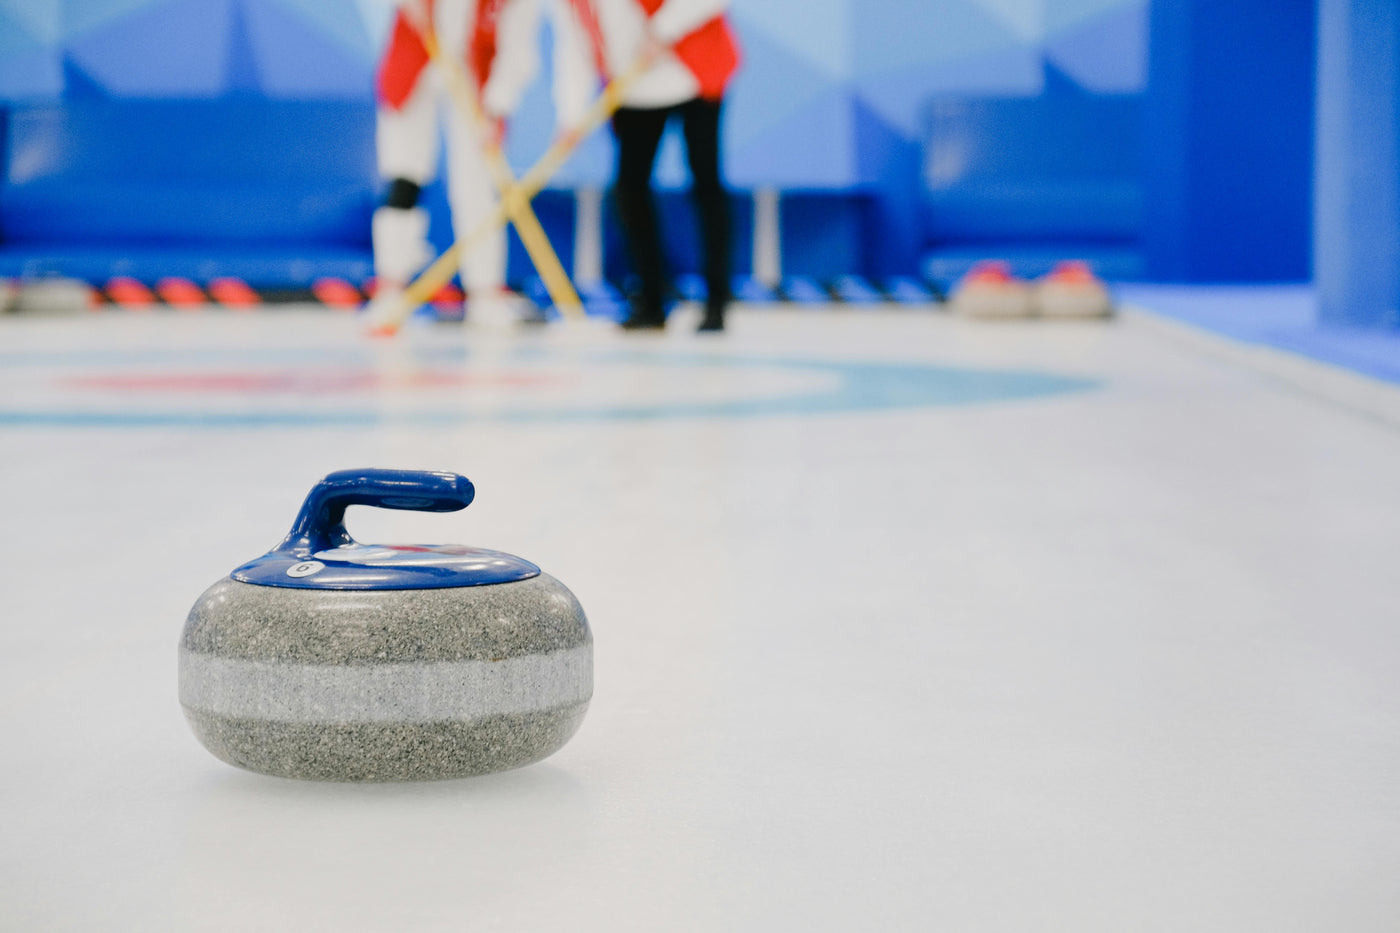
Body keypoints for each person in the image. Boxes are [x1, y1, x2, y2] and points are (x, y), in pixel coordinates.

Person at [552, 0, 740, 332]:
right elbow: (576, 45)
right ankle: (651, 301)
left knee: (706, 184)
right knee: (630, 190)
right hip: (634, 86)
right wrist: (571, 116)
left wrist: (662, 30)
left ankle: (717, 301)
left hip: (693, 71)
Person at [370, 0, 545, 325]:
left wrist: (497, 106)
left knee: (476, 184)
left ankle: (485, 294)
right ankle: (389, 289)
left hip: (473, 73)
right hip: (416, 57)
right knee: (404, 174)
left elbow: (518, 51)